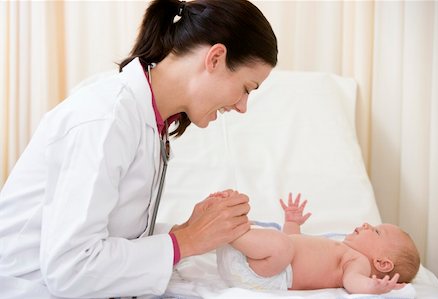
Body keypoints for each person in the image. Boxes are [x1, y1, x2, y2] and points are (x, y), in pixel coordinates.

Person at [0, 0, 277, 298]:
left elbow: (113, 236)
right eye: (247, 88)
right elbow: (71, 269)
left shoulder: (150, 121)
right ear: (215, 58)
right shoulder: (105, 118)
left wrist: (188, 231)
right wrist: (186, 241)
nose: (242, 106)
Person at [217, 193, 421, 294]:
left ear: (382, 263)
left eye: (376, 231)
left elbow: (352, 282)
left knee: (282, 246)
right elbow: (294, 241)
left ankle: (229, 230)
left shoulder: (359, 262)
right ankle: (231, 230)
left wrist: (372, 287)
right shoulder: (340, 247)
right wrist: (291, 223)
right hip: (254, 261)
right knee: (284, 243)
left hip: (265, 273)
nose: (367, 224)